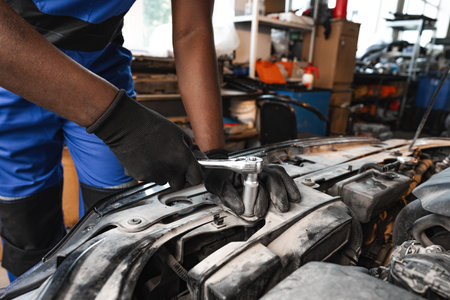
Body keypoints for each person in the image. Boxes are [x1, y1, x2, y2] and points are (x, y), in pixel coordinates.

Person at [0, 0, 301, 280]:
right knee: (29, 229)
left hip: (101, 68)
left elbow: (192, 30)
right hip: (12, 61)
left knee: (118, 225)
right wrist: (120, 121)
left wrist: (216, 155)